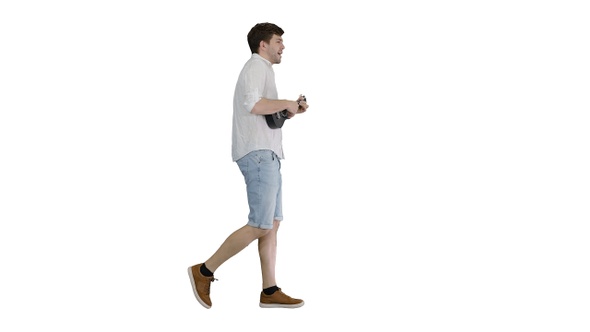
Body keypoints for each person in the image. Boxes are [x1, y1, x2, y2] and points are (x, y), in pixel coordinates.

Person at [188, 22, 309, 309]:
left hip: (267, 154)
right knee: (260, 224)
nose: (283, 46)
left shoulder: (264, 71)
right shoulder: (256, 66)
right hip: (257, 155)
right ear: (262, 45)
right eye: (278, 41)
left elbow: (264, 112)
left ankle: (269, 290)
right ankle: (203, 271)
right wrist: (287, 102)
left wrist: (289, 111)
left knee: (272, 225)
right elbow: (253, 104)